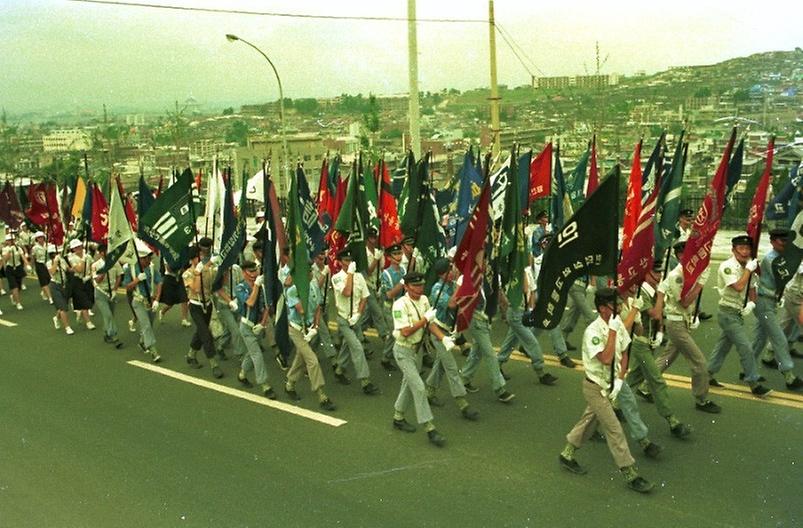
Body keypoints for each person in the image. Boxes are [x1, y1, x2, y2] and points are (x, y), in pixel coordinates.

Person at [558, 288, 654, 494]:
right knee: (614, 429)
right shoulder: (593, 332)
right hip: (595, 387)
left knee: (588, 421)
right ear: (602, 308)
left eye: (619, 304)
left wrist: (620, 380)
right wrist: (611, 332)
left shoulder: (617, 322)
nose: (620, 308)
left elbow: (625, 350)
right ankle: (630, 473)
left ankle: (567, 454)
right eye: (615, 305)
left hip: (611, 385)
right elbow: (607, 358)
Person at [650, 241, 722, 412]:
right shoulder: (678, 275)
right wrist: (701, 282)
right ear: (680, 257)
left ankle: (646, 386)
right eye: (686, 254)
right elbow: (684, 301)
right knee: (699, 363)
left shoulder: (690, 273)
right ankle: (701, 399)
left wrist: (694, 315)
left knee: (667, 358)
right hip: (676, 324)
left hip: (683, 321)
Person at [707, 235, 772, 396]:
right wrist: (749, 270)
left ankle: (707, 374)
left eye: (747, 248)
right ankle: (753, 382)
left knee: (723, 347)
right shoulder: (727, 267)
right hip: (727, 312)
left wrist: (751, 303)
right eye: (741, 249)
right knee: (746, 348)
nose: (744, 252)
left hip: (738, 313)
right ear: (733, 250)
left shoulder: (749, 266)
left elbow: (752, 288)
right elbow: (738, 286)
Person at [390, 271, 448, 447]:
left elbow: (430, 324)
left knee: (409, 384)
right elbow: (406, 331)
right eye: (415, 286)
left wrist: (443, 338)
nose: (419, 289)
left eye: (421, 285)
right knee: (419, 388)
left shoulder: (424, 300)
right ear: (406, 287)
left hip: (417, 350)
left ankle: (398, 417)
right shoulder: (400, 305)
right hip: (403, 351)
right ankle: (430, 428)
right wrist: (424, 320)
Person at [424, 257, 479, 421]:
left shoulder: (451, 285)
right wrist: (460, 286)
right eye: (450, 270)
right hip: (438, 332)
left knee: (440, 365)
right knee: (451, 367)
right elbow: (452, 304)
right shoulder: (437, 289)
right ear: (442, 274)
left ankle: (429, 393)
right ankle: (463, 404)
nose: (454, 271)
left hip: (449, 331)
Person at [751, 228, 803, 389]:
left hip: (770, 301)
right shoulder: (771, 259)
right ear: (773, 241)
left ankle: (748, 369)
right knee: (779, 338)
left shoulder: (781, 256)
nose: (785, 244)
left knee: (760, 339)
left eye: (787, 241)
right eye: (782, 241)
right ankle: (789, 376)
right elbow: (785, 276)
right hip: (764, 302)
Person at [283, 264, 336, 411]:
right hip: (297, 330)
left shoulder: (313, 286)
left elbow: (318, 308)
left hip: (309, 329)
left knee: (301, 359)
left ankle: (289, 385)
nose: (311, 273)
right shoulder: (293, 291)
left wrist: (316, 327)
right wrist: (302, 291)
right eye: (308, 271)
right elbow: (301, 310)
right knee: (312, 360)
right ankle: (321, 395)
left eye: (311, 270)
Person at [331, 248, 379, 395]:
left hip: (355, 319)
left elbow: (364, 297)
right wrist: (350, 274)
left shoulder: (359, 277)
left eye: (350, 260)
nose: (348, 263)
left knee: (348, 344)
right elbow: (347, 292)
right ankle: (365, 382)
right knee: (357, 347)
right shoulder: (337, 278)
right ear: (339, 262)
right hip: (344, 319)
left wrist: (358, 314)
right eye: (345, 260)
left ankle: (339, 369)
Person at [529, 234, 576, 368]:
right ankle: (562, 354)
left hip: (545, 292)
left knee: (540, 323)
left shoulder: (546, 258)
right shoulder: (546, 259)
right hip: (543, 293)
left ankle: (526, 345)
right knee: (552, 321)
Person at [235, 260, 275, 399]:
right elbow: (250, 302)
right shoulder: (240, 287)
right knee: (257, 354)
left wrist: (263, 324)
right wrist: (256, 286)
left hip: (258, 326)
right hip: (246, 326)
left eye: (255, 271)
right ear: (244, 272)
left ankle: (242, 375)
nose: (253, 274)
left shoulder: (261, 286)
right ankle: (265, 385)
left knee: (251, 354)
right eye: (250, 272)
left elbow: (266, 307)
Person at [183, 239, 222, 379]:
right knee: (206, 334)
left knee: (200, 332)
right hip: (195, 306)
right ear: (192, 259)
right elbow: (196, 289)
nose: (200, 259)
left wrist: (215, 264)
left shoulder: (207, 269)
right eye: (197, 257)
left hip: (208, 305)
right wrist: (198, 273)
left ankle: (191, 355)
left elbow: (215, 283)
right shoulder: (187, 274)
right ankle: (214, 364)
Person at [123, 240, 162, 362]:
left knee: (149, 324)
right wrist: (137, 280)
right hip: (138, 301)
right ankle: (153, 350)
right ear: (141, 259)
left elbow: (159, 281)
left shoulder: (151, 268)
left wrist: (157, 299)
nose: (149, 260)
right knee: (146, 325)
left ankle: (142, 342)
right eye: (147, 258)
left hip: (150, 301)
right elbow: (127, 287)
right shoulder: (130, 269)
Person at [361, 228, 393, 369]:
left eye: (375, 238)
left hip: (376, 285)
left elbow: (381, 270)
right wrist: (376, 258)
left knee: (366, 317)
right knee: (378, 313)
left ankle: (357, 334)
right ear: (367, 239)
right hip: (366, 285)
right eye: (371, 238)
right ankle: (386, 336)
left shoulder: (378, 252)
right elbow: (368, 271)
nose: (373, 240)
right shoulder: (364, 253)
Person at [379, 243, 407, 370]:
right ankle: (386, 357)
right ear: (389, 258)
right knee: (394, 333)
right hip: (390, 307)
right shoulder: (386, 274)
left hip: (402, 306)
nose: (399, 256)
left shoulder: (403, 270)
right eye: (395, 254)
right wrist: (402, 283)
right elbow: (389, 294)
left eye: (400, 253)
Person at [92, 243, 124, 348]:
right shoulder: (96, 265)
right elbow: (97, 280)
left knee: (110, 315)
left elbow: (119, 275)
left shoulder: (115, 262)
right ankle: (115, 337)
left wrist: (115, 289)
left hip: (112, 292)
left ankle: (106, 333)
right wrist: (104, 271)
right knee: (108, 315)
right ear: (101, 253)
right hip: (101, 292)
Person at [66, 238, 95, 329]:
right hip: (77, 281)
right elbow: (79, 269)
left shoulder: (88, 256)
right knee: (83, 301)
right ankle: (88, 322)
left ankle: (80, 312)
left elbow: (92, 266)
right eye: (76, 247)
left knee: (91, 299)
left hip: (87, 280)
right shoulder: (71, 258)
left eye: (79, 246)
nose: (78, 249)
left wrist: (91, 275)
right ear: (73, 249)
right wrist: (83, 260)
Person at [47, 244, 75, 335]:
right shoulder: (49, 263)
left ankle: (56, 318)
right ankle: (67, 327)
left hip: (64, 285)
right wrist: (55, 262)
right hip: (55, 285)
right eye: (56, 253)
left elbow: (68, 270)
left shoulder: (62, 260)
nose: (58, 254)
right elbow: (52, 272)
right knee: (63, 307)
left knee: (63, 305)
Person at [2, 233, 31, 310]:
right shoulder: (5, 249)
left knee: (18, 286)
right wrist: (9, 252)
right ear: (7, 241)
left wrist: (27, 264)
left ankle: (13, 296)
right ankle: (18, 303)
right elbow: (5, 259)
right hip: (10, 268)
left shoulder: (18, 248)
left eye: (12, 240)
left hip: (18, 267)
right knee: (14, 286)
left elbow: (23, 257)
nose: (11, 241)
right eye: (9, 240)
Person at [31, 231, 53, 304]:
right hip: (40, 264)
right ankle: (50, 297)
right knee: (44, 281)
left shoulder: (49, 245)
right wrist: (32, 267)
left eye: (41, 237)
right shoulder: (35, 248)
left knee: (51, 280)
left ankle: (44, 291)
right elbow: (33, 258)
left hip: (49, 264)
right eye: (39, 238)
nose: (40, 239)